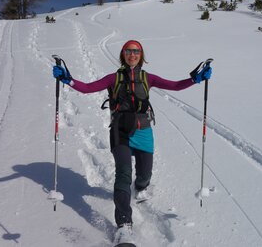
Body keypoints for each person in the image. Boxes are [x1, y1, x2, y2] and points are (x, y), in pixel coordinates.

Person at [52, 40, 212, 245]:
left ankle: (141, 187)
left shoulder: (148, 78)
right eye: (128, 51)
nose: (132, 54)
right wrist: (68, 80)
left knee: (145, 174)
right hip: (121, 131)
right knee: (123, 173)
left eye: (136, 51)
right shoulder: (114, 78)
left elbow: (175, 86)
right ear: (123, 54)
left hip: (144, 131)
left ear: (141, 54)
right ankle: (124, 226)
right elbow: (87, 88)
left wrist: (196, 79)